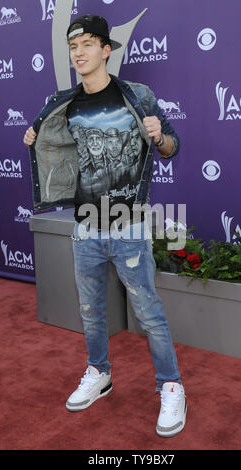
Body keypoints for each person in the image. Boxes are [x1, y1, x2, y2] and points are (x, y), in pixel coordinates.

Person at [23, 14, 187, 438]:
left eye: (87, 45)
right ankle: (99, 373)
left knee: (148, 311)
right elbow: (49, 147)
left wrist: (159, 136)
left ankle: (171, 385)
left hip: (128, 224)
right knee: (91, 312)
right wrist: (33, 139)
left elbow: (171, 147)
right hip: (86, 225)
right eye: (73, 47)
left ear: (106, 50)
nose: (79, 54)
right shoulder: (64, 103)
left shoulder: (138, 95)